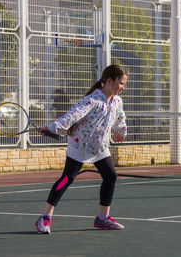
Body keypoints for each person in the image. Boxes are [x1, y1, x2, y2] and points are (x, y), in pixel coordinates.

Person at [35, 64, 128, 234]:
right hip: (79, 146)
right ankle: (45, 217)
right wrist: (51, 128)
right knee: (66, 179)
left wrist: (121, 132)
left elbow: (120, 118)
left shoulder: (117, 101)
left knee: (110, 176)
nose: (123, 87)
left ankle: (102, 218)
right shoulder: (92, 100)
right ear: (110, 80)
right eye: (121, 83)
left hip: (99, 147)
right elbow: (72, 115)